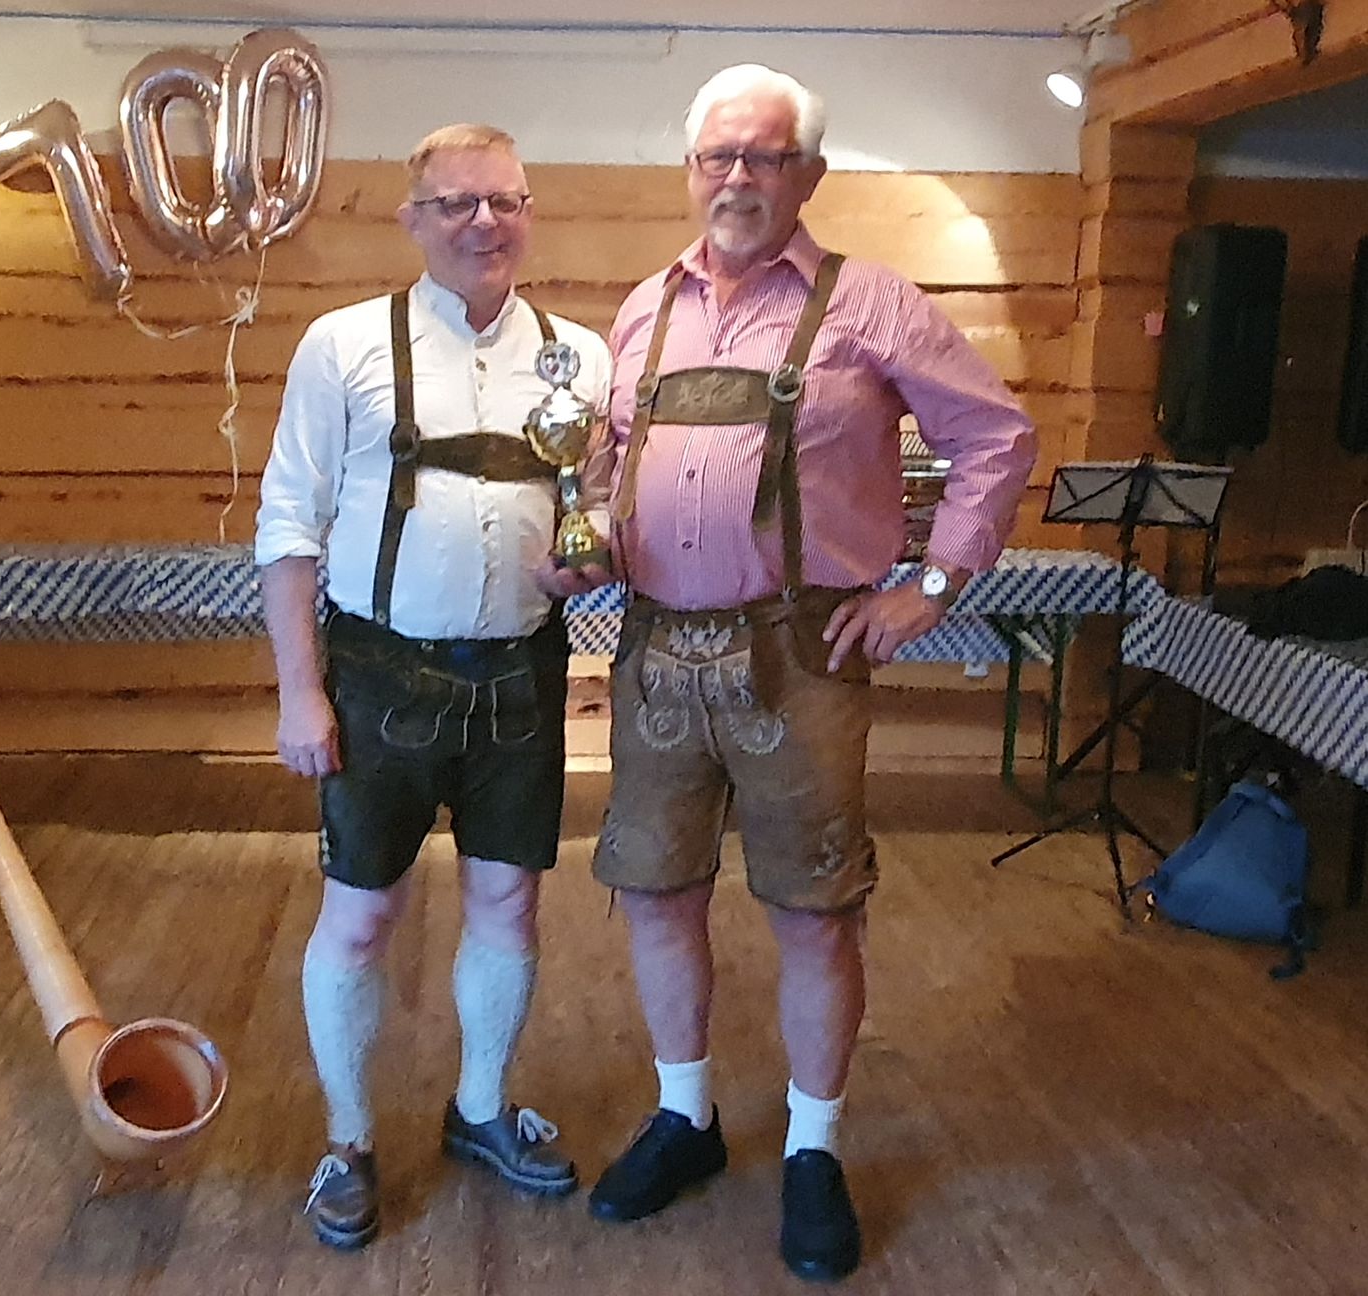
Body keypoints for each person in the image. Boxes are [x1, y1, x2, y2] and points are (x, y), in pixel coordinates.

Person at [581, 65, 1036, 1282]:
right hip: (655, 652)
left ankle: (813, 1148)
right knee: (658, 893)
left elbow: (996, 437)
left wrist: (932, 584)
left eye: (765, 157)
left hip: (804, 658)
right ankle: (686, 1116)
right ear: (690, 171)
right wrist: (588, 534)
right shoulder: (643, 310)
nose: (737, 177)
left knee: (815, 911)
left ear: (809, 176)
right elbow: (609, 462)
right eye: (717, 156)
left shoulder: (872, 303)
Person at [255, 123, 614, 1251]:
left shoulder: (582, 358)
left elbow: (594, 505)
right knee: (362, 916)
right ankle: (349, 1139)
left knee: (508, 903)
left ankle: (480, 1109)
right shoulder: (342, 345)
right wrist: (299, 693)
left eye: (504, 200)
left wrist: (591, 552)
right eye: (456, 203)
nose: (483, 222)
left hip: (523, 672)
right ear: (413, 219)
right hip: (379, 675)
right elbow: (287, 527)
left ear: (528, 213)